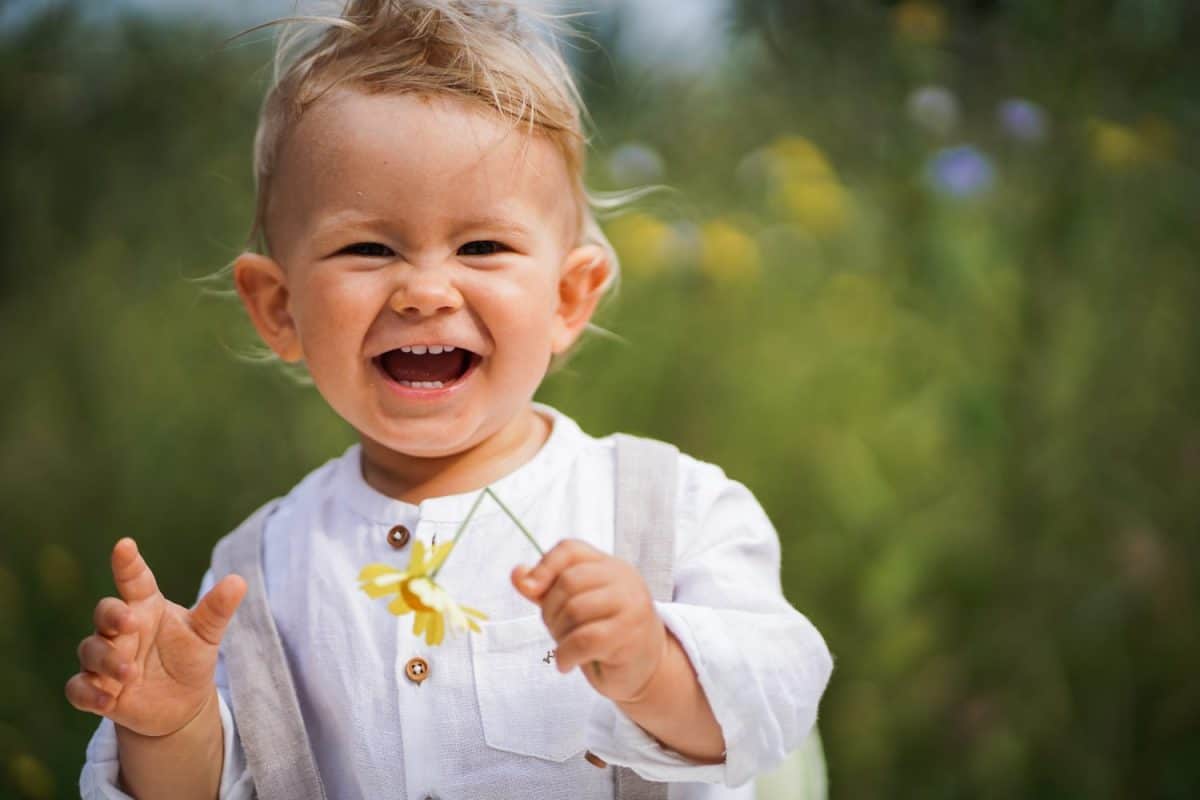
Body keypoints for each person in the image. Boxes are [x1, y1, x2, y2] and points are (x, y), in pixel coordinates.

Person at [67, 2, 833, 797]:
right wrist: (167, 725)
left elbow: (772, 704)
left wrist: (652, 666)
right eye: (368, 247)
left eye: (482, 246)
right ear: (278, 308)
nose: (426, 291)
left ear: (568, 297)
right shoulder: (258, 572)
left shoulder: (668, 511)